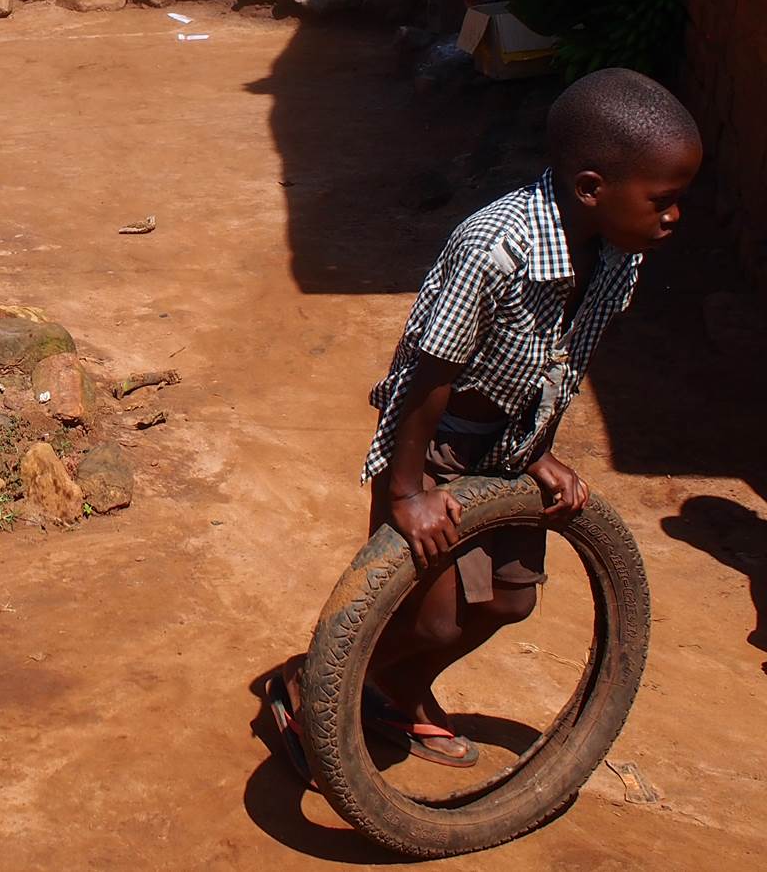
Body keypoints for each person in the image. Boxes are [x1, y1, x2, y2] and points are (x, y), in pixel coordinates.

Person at [272, 69, 701, 772]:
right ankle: (309, 684)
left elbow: (562, 360)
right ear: (592, 187)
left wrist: (538, 452)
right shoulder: (494, 247)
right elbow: (429, 375)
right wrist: (408, 490)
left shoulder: (620, 253)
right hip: (433, 446)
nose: (674, 217)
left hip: (510, 445)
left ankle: (395, 694)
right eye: (664, 200)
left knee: (508, 601)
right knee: (430, 614)